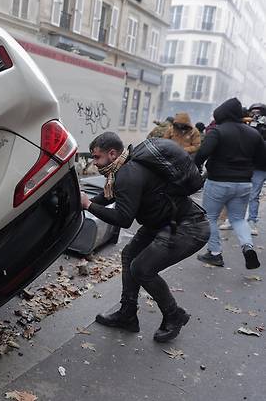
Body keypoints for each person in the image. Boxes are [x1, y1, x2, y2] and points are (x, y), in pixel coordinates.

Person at [81, 132, 209, 342]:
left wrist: (88, 206)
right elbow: (109, 195)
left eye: (97, 157)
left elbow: (123, 218)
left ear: (112, 154)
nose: (94, 163)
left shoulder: (127, 174)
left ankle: (174, 315)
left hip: (187, 226)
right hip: (161, 223)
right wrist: (83, 204)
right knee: (129, 255)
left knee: (142, 269)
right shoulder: (122, 170)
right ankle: (127, 314)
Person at [194, 98, 266, 269]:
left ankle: (215, 253)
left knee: (209, 217)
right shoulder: (253, 133)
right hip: (243, 184)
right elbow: (262, 159)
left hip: (218, 181)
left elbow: (202, 154)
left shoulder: (218, 131)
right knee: (238, 219)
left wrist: (196, 167)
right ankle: (247, 247)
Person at [247, 103, 266, 236]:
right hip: (257, 165)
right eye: (253, 112)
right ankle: (251, 221)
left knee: (254, 195)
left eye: (258, 112)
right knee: (253, 194)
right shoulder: (250, 127)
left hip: (261, 165)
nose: (255, 115)